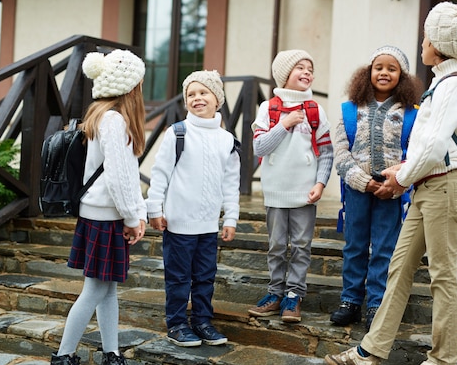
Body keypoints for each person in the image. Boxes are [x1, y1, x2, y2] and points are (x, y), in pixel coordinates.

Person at [325, 0, 457, 365]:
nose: (422, 44)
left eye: (427, 37)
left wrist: (399, 179)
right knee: (398, 268)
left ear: (439, 43)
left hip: (445, 184)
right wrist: (405, 171)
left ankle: (442, 363)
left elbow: (432, 147)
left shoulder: (454, 85)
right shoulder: (440, 84)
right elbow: (425, 147)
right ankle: (369, 353)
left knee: (443, 275)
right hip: (427, 183)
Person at [48, 49, 148, 365]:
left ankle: (110, 357)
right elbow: (120, 179)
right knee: (94, 290)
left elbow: (124, 176)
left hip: (101, 215)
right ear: (131, 87)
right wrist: (134, 217)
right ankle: (62, 359)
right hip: (105, 216)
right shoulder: (115, 120)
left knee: (107, 291)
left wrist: (138, 213)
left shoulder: (101, 116)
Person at [146, 70, 240, 347]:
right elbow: (159, 173)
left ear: (217, 99)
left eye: (203, 93)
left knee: (205, 277)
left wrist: (231, 217)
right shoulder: (177, 133)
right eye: (191, 94)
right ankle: (176, 324)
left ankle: (202, 321)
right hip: (178, 223)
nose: (197, 98)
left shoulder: (227, 140)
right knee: (178, 278)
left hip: (209, 225)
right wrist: (154, 209)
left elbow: (231, 183)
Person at [331, 46, 422, 331]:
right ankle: (350, 300)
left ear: (402, 77)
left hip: (391, 192)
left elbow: (415, 153)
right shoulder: (349, 110)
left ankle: (377, 303)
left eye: (391, 68)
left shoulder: (412, 115)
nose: (384, 72)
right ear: (368, 73)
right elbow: (341, 151)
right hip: (358, 188)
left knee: (385, 248)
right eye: (378, 67)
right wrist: (362, 181)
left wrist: (397, 183)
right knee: (355, 245)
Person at [248, 49, 333, 323]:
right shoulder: (268, 108)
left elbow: (327, 151)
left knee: (301, 245)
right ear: (285, 74)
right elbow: (260, 146)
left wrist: (320, 184)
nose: (307, 72)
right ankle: (274, 294)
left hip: (304, 192)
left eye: (310, 68)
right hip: (275, 191)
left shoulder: (315, 110)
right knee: (275, 245)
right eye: (300, 67)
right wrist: (284, 124)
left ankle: (294, 296)